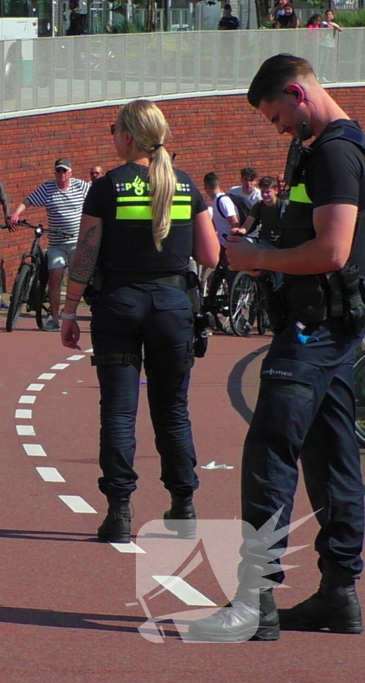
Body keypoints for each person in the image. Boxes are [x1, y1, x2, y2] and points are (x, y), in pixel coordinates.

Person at [188, 54, 365, 643]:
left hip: (314, 333)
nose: (279, 128)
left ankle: (254, 600)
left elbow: (333, 251)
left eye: (277, 115)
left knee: (270, 452)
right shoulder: (317, 149)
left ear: (297, 90)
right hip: (334, 332)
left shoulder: (337, 152)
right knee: (332, 456)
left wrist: (259, 258)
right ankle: (339, 594)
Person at [60, 99, 218, 546]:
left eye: (114, 129)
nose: (111, 137)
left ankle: (119, 511)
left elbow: (85, 254)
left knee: (118, 411)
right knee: (172, 411)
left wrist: (70, 311)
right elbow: (209, 256)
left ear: (128, 136)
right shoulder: (186, 186)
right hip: (172, 307)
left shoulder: (108, 185)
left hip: (119, 305)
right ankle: (183, 506)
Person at [10, 158, 90, 331]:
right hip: (56, 243)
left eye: (65, 171)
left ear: (71, 173)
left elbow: (98, 199)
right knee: (54, 279)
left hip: (76, 241)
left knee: (77, 280)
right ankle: (54, 319)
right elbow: (28, 201)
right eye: (59, 171)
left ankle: (70, 313)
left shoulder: (81, 186)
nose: (62, 174)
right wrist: (16, 213)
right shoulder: (47, 188)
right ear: (55, 173)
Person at [236, 175, 281, 244]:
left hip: (281, 241)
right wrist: (239, 231)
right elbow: (246, 226)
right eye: (262, 192)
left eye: (268, 192)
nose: (265, 195)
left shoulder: (283, 205)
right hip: (264, 240)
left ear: (276, 191)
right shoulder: (259, 205)